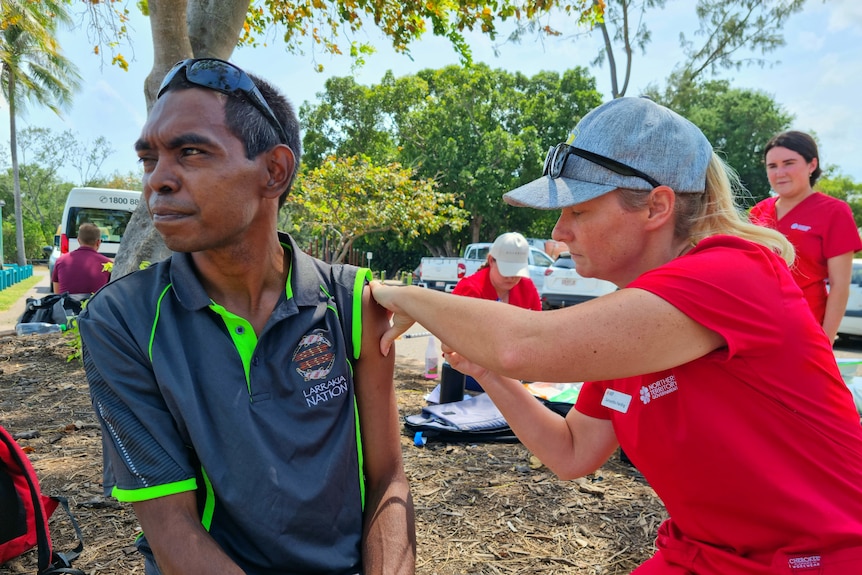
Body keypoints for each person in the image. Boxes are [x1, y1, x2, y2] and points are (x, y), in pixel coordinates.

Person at [370, 97, 862, 574]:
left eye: (579, 211)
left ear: (656, 207)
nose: (559, 232)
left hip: (820, 555)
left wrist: (402, 294)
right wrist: (490, 375)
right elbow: (572, 452)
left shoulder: (732, 273)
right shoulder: (634, 323)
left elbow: (524, 347)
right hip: (705, 553)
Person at [77, 58, 415, 575]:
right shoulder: (120, 322)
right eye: (150, 159)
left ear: (274, 172)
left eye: (190, 152)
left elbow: (388, 476)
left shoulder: (351, 302)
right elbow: (171, 526)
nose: (157, 182)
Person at [750, 130, 862, 342]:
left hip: (805, 331)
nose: (779, 172)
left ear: (812, 165)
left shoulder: (834, 212)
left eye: (789, 163)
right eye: (772, 166)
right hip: (757, 327)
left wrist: (825, 342)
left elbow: (839, 288)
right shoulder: (758, 212)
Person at [452, 231, 541, 310]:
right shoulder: (468, 289)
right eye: (506, 270)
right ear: (491, 260)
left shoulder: (527, 287)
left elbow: (538, 324)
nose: (511, 277)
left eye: (516, 271)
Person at [51, 222, 112, 295]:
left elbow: (57, 294)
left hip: (66, 305)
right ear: (98, 242)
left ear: (78, 240)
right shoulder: (108, 264)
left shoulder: (61, 261)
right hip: (94, 305)